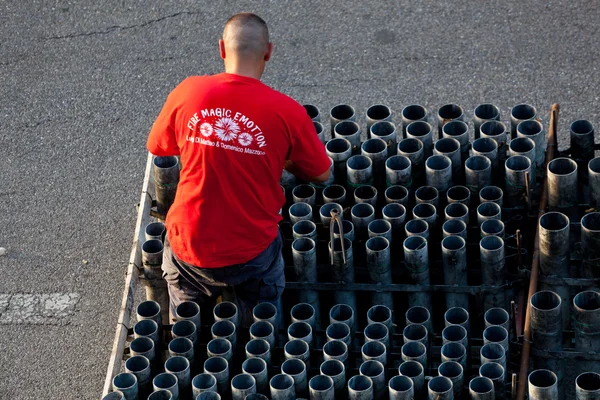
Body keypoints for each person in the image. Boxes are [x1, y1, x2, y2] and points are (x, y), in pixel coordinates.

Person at [146, 12, 331, 325]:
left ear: (221, 49)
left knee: (186, 332)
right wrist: (279, 156)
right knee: (261, 326)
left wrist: (209, 142)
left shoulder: (188, 92)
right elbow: (322, 173)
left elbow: (159, 146)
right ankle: (258, 344)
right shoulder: (287, 111)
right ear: (269, 52)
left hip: (189, 244)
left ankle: (186, 352)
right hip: (252, 251)